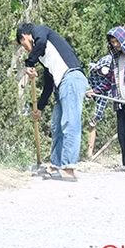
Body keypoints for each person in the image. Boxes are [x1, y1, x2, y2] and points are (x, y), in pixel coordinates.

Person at [17, 23, 88, 182]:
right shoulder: (43, 55)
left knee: (70, 123)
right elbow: (49, 82)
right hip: (60, 85)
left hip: (71, 78)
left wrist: (30, 63)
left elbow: (40, 43)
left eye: (24, 45)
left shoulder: (39, 31)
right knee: (57, 126)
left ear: (25, 36)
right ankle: (55, 165)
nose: (27, 49)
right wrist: (40, 107)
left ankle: (69, 168)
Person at [89, 27, 125, 175]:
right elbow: (109, 82)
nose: (116, 45)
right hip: (119, 100)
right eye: (113, 42)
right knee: (122, 134)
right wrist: (95, 91)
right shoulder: (115, 60)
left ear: (124, 40)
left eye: (117, 41)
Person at [86, 55, 112, 158]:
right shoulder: (90, 70)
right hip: (85, 95)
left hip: (98, 97)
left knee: (92, 124)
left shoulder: (108, 83)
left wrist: (96, 116)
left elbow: (102, 101)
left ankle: (89, 153)